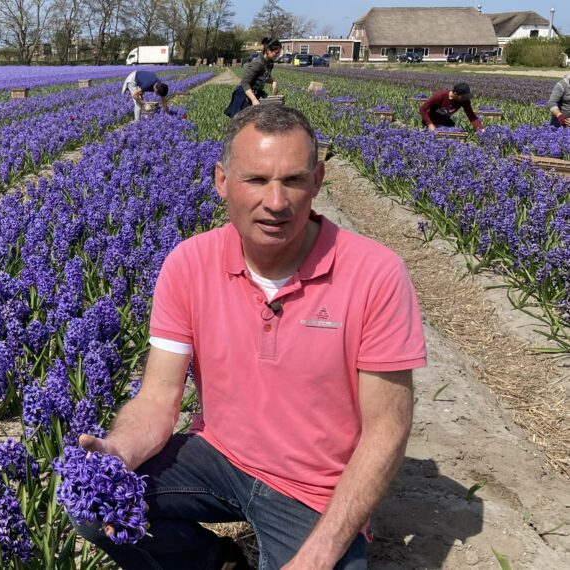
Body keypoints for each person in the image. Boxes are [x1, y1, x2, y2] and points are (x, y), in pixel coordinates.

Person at [73, 104, 427, 570]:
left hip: (313, 489)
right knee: (98, 502)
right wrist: (118, 452)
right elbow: (157, 399)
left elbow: (387, 430)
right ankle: (215, 562)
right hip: (219, 456)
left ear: (318, 180)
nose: (276, 202)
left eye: (293, 180)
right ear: (222, 181)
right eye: (256, 180)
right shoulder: (189, 263)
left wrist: (318, 555)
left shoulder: (376, 274)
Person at [224, 37, 281, 118]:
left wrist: (273, 81)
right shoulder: (257, 64)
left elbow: (264, 76)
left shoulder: (270, 63)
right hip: (244, 95)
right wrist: (254, 100)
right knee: (245, 123)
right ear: (268, 50)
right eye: (276, 52)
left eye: (279, 53)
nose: (278, 55)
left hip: (255, 94)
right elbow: (245, 82)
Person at [419, 83, 483, 133]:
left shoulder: (464, 101)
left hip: (445, 122)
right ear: (455, 94)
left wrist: (481, 129)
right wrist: (430, 124)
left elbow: (471, 115)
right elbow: (422, 109)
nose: (465, 99)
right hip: (431, 121)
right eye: (463, 97)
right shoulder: (440, 95)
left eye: (466, 97)